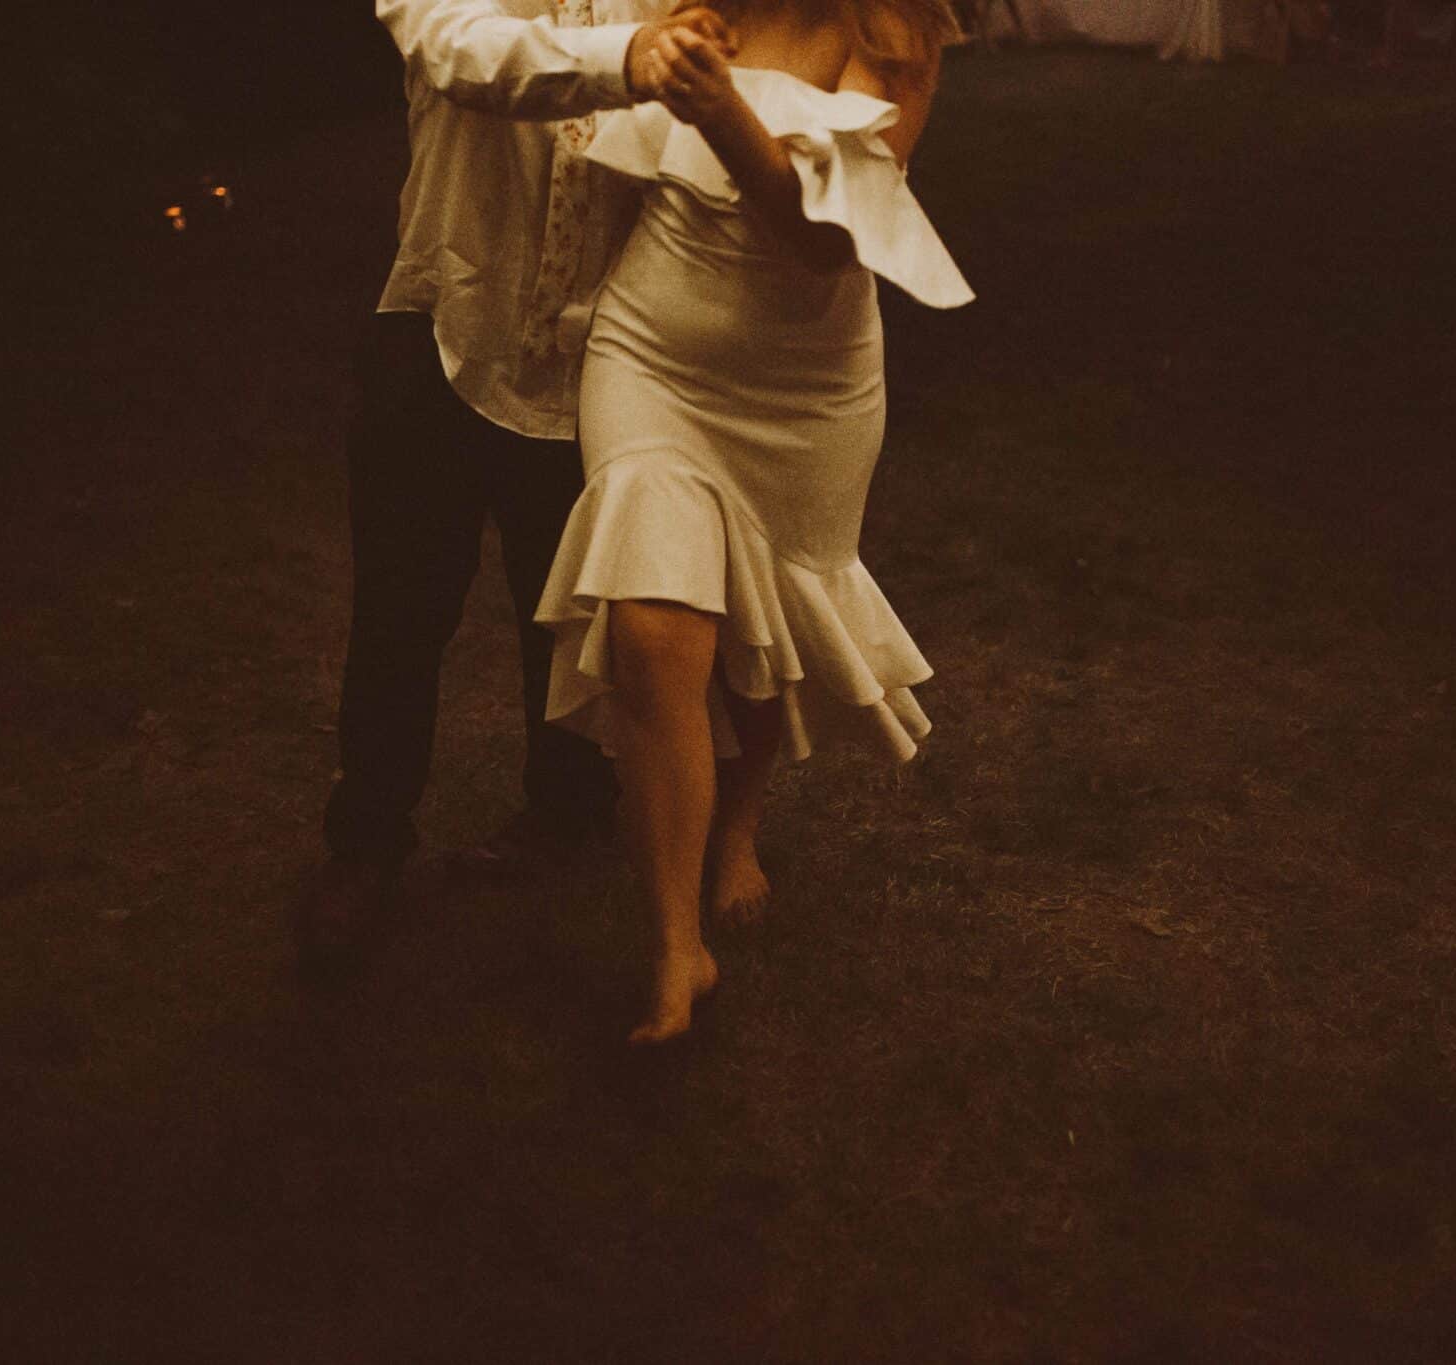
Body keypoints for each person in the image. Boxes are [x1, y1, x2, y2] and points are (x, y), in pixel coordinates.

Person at [532, 0, 974, 1041]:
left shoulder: (897, 33)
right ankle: (674, 948)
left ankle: (738, 822)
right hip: (652, 350)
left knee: (766, 620)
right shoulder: (688, 4)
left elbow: (823, 242)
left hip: (804, 386)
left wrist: (721, 111)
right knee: (650, 633)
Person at [303, 0, 739, 961]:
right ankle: (366, 845)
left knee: (573, 605)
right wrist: (632, 55)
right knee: (402, 608)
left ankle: (570, 803)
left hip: (602, 349)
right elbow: (467, 54)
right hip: (446, 324)